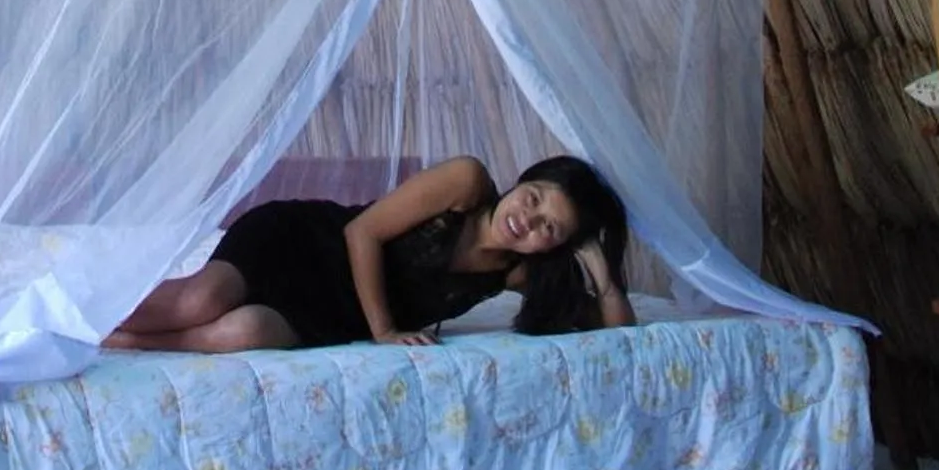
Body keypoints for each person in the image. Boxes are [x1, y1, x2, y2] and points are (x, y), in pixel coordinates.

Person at [102, 155, 634, 353]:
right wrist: (384, 332)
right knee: (200, 301)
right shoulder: (467, 183)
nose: (527, 219)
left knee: (245, 333)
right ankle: (85, 316)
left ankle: (125, 340)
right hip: (307, 243)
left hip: (335, 313)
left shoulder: (513, 271)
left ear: (557, 246)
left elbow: (619, 334)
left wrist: (604, 274)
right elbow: (363, 232)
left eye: (548, 229)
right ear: (523, 181)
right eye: (533, 198)